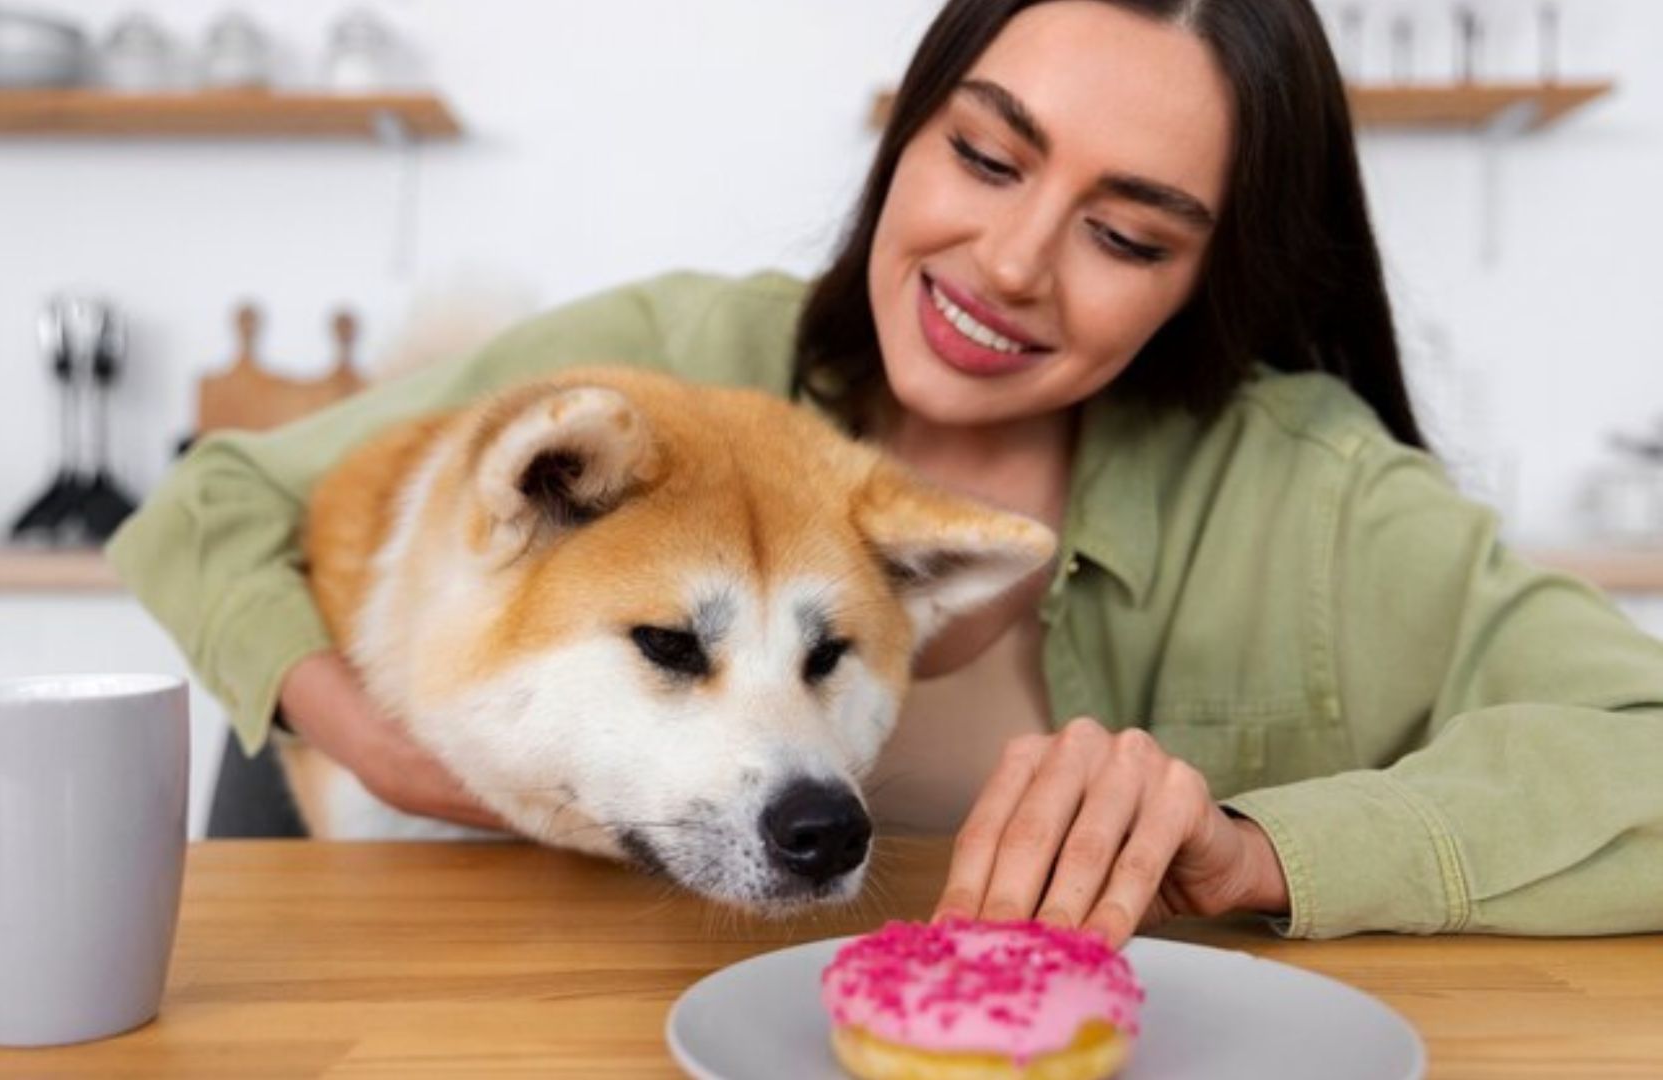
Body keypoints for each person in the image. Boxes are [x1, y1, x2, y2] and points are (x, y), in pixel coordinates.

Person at [111, 0, 1663, 944]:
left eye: (1125, 236)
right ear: (907, 137)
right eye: (985, 157)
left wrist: (1264, 854)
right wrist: (378, 745)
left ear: (1214, 278)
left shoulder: (1309, 497)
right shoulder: (668, 358)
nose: (1008, 261)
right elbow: (209, 507)